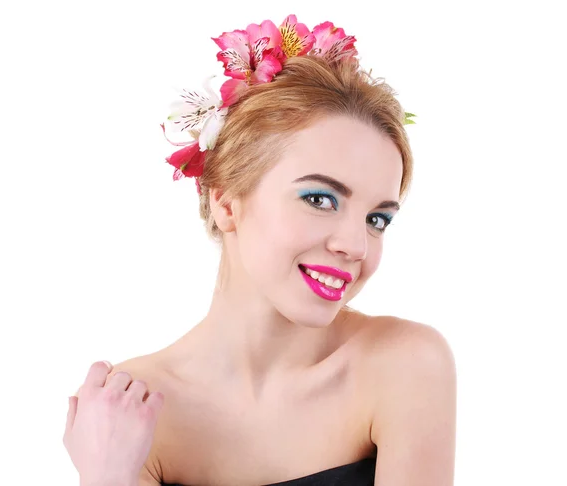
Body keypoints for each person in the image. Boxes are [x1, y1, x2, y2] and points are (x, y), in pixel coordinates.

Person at [63, 14, 457, 486]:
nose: (355, 246)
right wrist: (106, 476)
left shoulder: (404, 365)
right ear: (226, 201)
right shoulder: (133, 411)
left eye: (378, 219)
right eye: (320, 199)